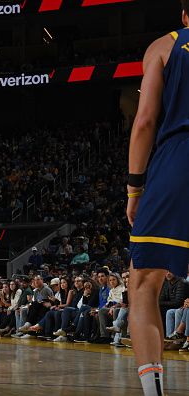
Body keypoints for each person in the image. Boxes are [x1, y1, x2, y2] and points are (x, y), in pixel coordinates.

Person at [126, 3, 189, 394]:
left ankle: (155, 393)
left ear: (185, 16)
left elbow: (145, 120)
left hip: (178, 160)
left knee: (144, 283)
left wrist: (135, 189)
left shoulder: (163, 47)